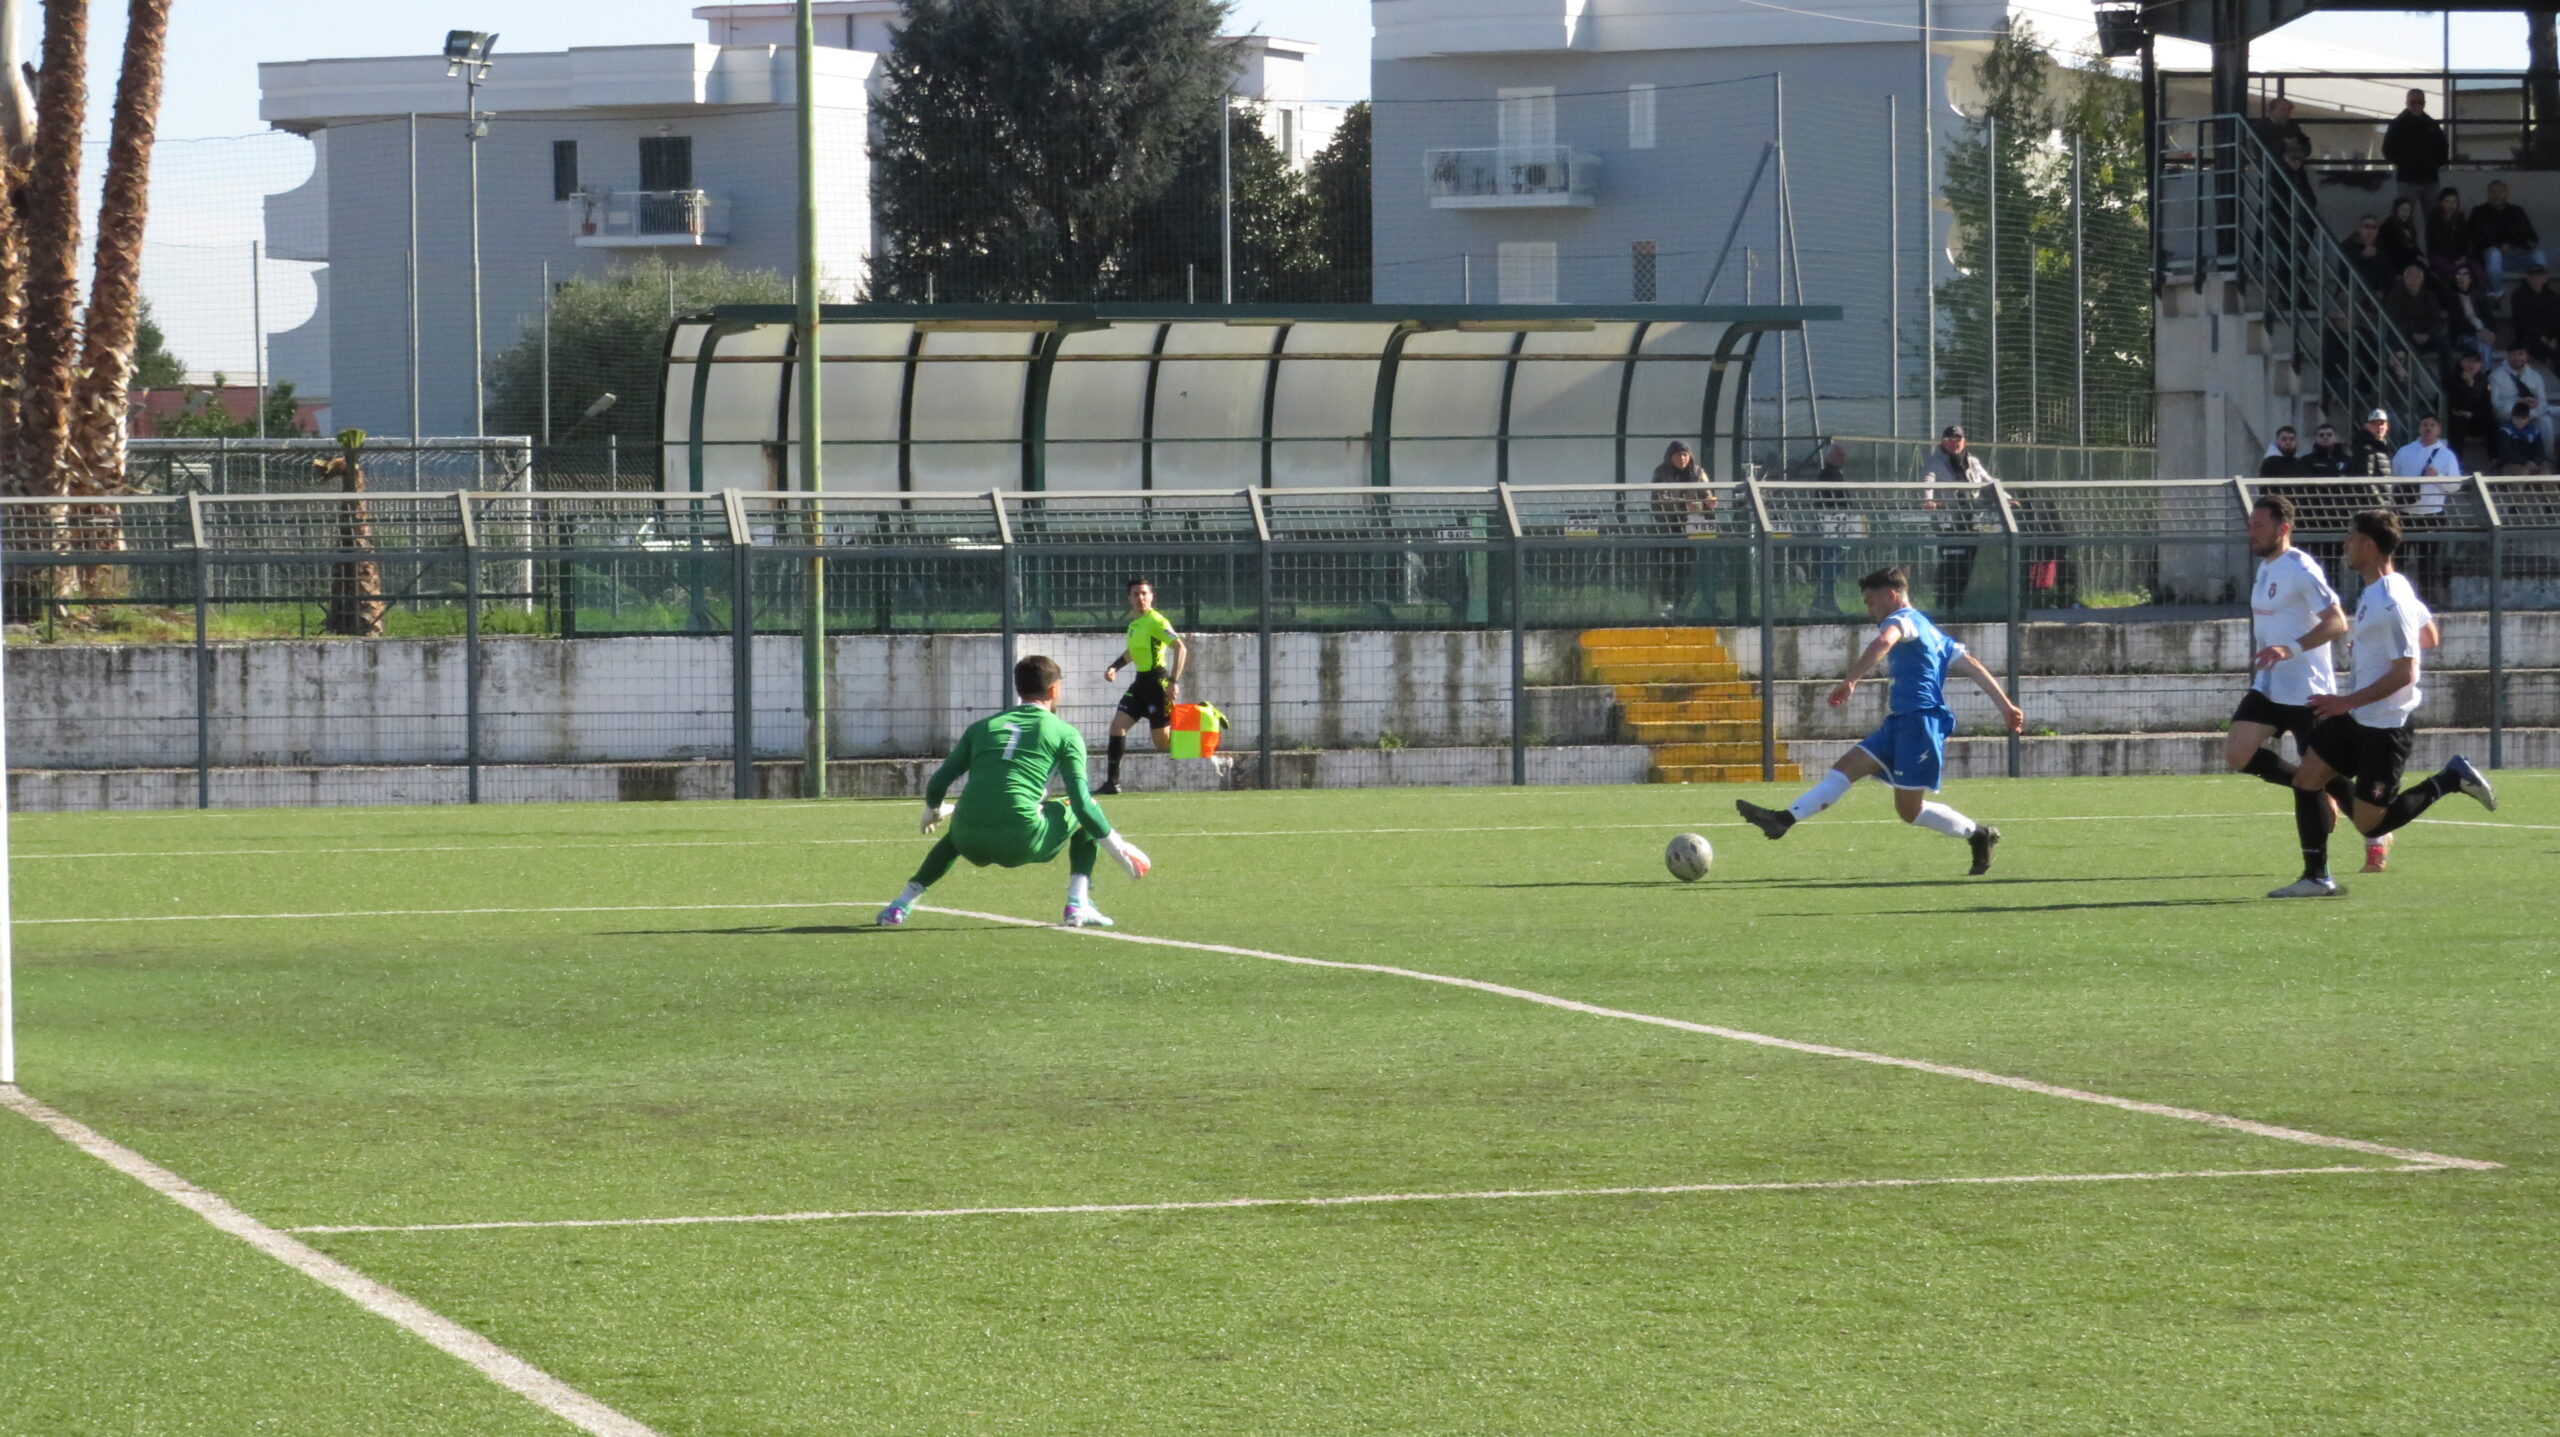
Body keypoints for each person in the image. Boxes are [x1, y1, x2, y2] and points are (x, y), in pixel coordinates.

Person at [1735, 566, 2024, 875]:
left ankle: (1979, 835)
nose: (1869, 609)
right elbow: (1972, 664)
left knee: (1909, 811)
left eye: (1871, 601)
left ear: (1891, 595)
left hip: (1920, 725)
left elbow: (1884, 642)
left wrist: (1851, 681)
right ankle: (1783, 820)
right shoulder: (1930, 629)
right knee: (1845, 768)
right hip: (1899, 724)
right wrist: (2005, 706)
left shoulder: (1901, 621)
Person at [2269, 508, 2496, 898]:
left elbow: (2405, 671)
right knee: (2307, 779)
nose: (2345, 544)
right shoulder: (2388, 587)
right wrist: (2372, 651)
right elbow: (2430, 636)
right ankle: (2316, 877)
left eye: (2352, 537)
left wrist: (2346, 700)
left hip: (2385, 727)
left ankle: (2450, 779)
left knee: (2371, 825)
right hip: (2359, 717)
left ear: (2370, 546)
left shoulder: (2391, 599)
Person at [877, 654, 1153, 929]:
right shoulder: (1065, 733)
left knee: (961, 828)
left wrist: (933, 810)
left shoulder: (982, 727)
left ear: (1019, 690)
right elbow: (1082, 804)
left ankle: (901, 904)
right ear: (1054, 689)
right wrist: (1120, 851)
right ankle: (1077, 903)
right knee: (1086, 808)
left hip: (969, 841)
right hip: (1022, 840)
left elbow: (937, 783)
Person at [2226, 494, 2354, 812]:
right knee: (2237, 754)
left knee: (2331, 773)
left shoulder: (2300, 568)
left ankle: (2376, 835)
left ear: (2282, 529)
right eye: (2250, 524)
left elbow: (2337, 622)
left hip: (2307, 692)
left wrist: (2290, 648)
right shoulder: (2266, 567)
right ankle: (2316, 792)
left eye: (2258, 525)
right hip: (2270, 687)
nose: (2250, 531)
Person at [1098, 577, 1186, 795]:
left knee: (1162, 744)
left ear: (1152, 596)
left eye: (1144, 593)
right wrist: (1114, 667)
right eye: (1136, 594)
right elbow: (1133, 653)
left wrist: (1173, 681)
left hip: (1158, 685)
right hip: (1140, 684)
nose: (1140, 598)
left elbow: (1180, 648)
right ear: (1129, 598)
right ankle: (1112, 783)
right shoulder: (1134, 625)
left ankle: (1198, 732)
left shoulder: (1157, 621)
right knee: (1117, 726)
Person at [1920, 424, 1994, 613]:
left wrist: (2007, 498)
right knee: (1951, 560)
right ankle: (1945, 602)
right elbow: (1928, 481)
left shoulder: (1972, 461)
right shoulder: (1935, 460)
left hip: (1971, 518)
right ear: (1943, 442)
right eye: (1950, 440)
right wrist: (1928, 500)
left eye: (1958, 439)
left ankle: (1956, 602)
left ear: (1964, 441)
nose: (1954, 444)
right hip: (1948, 518)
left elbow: (1988, 481)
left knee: (1967, 562)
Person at [2390, 414, 2461, 606]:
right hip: (2406, 513)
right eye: (2424, 424)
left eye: (2432, 425)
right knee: (2399, 561)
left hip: (2432, 514)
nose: (2428, 428)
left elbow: (2455, 486)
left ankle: (2427, 602)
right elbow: (2392, 479)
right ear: (2419, 428)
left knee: (2428, 564)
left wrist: (2438, 477)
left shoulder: (2446, 455)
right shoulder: (2404, 451)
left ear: (2438, 430)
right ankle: (2398, 601)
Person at [1650, 440, 1720, 615]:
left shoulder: (1697, 472)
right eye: (1678, 455)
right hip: (1666, 524)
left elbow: (1707, 493)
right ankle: (1665, 601)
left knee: (1684, 564)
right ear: (1670, 457)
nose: (1682, 459)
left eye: (1685, 455)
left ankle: (1680, 601)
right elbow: (1658, 501)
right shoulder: (1661, 473)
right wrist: (1687, 504)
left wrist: (1710, 502)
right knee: (1666, 563)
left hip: (1689, 525)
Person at [2470, 179, 2546, 290]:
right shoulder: (2479, 212)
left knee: (2539, 254)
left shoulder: (2517, 211)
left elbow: (2532, 237)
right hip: (2493, 258)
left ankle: (2540, 291)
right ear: (2488, 193)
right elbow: (2476, 237)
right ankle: (2497, 294)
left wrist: (2521, 248)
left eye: (2499, 191)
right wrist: (2498, 247)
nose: (2496, 195)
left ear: (2506, 193)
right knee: (2494, 254)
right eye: (2492, 192)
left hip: (2517, 256)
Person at [2382, 89, 2449, 213]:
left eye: (2419, 102)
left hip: (2428, 179)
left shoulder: (2431, 124)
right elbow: (2387, 150)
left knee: (2433, 218)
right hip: (2409, 179)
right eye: (2413, 102)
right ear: (2407, 103)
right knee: (2405, 217)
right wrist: (2407, 164)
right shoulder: (2398, 125)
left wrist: (2433, 163)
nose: (2416, 105)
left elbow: (2443, 149)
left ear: (2424, 103)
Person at [2489, 345, 2554, 463]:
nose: (2517, 358)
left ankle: (2545, 459)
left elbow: (2542, 403)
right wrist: (2517, 402)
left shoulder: (2535, 376)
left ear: (2526, 356)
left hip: (2531, 415)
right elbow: (2495, 404)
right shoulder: (2496, 376)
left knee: (2546, 423)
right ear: (2507, 355)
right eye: (2513, 354)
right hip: (2508, 415)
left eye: (2520, 354)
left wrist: (2534, 405)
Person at [2382, 264, 2451, 369]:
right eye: (2409, 276)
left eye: (2416, 277)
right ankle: (2399, 379)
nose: (2413, 280)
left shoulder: (2429, 295)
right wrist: (2413, 334)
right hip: (2404, 334)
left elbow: (2437, 320)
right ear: (2404, 279)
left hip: (2425, 335)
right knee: (2395, 342)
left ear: (2421, 279)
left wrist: (2427, 334)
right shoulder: (2395, 294)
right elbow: (2395, 320)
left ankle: (2446, 379)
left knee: (2444, 342)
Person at [2444, 349, 2496, 465]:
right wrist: (2469, 386)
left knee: (2492, 422)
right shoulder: (2453, 379)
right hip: (2457, 418)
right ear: (2461, 362)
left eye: (2475, 362)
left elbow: (2486, 405)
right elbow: (2459, 404)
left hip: (2475, 418)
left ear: (2480, 364)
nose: (2471, 365)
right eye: (2468, 361)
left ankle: (2494, 460)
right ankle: (2456, 464)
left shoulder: (2482, 380)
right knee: (2458, 424)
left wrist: (2472, 414)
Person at [2510, 264, 2560, 366]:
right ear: (2527, 278)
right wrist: (2542, 338)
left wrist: (2554, 338)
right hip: (2528, 337)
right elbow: (2522, 322)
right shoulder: (2519, 295)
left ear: (2545, 278)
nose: (2536, 278)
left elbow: (2557, 319)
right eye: (2533, 275)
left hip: (2550, 337)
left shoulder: (2552, 296)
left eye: (2540, 275)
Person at [2425, 186, 2477, 284]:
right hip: (2438, 256)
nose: (2451, 205)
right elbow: (2434, 244)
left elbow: (2465, 240)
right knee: (2451, 270)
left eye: (2454, 202)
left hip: (2458, 257)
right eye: (2447, 202)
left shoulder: (2460, 218)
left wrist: (2463, 256)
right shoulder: (2433, 219)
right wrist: (2454, 259)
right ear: (2441, 203)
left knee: (2475, 268)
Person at [2341, 215, 2400, 291]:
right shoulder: (2348, 244)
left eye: (2374, 227)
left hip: (2376, 290)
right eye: (2366, 226)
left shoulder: (2381, 247)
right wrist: (2362, 255)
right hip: (2353, 288)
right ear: (2359, 229)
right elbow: (2344, 262)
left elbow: (2388, 272)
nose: (2370, 230)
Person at [2493, 401, 2547, 475]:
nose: (2520, 421)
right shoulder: (2505, 430)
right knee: (2522, 472)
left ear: (2528, 419)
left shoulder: (2534, 430)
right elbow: (2506, 453)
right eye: (2517, 418)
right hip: (2510, 464)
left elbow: (2540, 451)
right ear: (2512, 417)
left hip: (2531, 463)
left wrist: (2535, 461)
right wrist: (2525, 462)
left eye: (2523, 418)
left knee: (2545, 471)